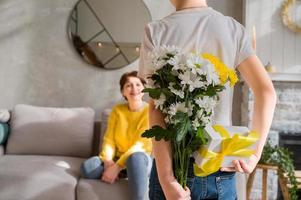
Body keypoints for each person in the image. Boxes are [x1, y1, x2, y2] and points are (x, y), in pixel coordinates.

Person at [138, 0, 277, 200]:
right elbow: (267, 93)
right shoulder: (233, 29)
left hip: (174, 169)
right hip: (220, 165)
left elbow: (156, 108)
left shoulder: (156, 31)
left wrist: (167, 179)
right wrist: (254, 154)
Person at [81, 71, 153, 200]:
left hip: (140, 160)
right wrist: (108, 161)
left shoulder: (149, 111)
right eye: (128, 85)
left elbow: (140, 146)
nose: (134, 89)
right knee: (88, 168)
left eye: (138, 84)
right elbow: (109, 139)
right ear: (123, 92)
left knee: (134, 158)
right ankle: (125, 173)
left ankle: (129, 177)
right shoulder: (117, 110)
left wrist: (117, 166)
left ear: (144, 88)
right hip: (116, 158)